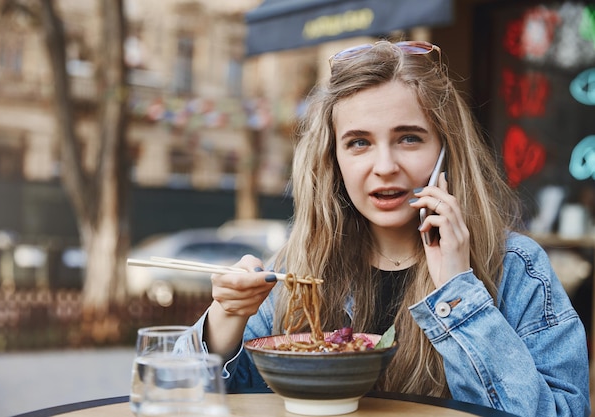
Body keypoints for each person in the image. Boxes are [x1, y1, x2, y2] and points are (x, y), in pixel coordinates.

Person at [192, 39, 590, 416]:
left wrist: (458, 291)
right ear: (335, 160)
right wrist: (224, 320)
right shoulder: (299, 267)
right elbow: (182, 397)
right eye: (359, 143)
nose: (384, 166)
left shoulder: (517, 267)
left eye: (409, 138)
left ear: (446, 150)